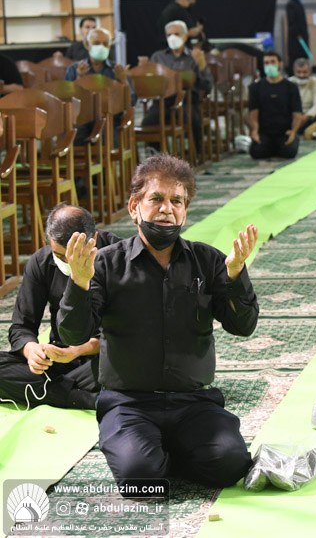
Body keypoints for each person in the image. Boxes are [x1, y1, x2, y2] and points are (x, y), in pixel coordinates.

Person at [57, 155, 260, 497]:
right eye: (156, 199)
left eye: (177, 201)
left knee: (231, 465)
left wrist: (236, 275)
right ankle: (150, 453)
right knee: (142, 481)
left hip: (194, 403)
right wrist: (79, 282)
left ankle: (166, 450)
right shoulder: (104, 265)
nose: (167, 209)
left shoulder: (208, 261)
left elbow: (244, 326)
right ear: (134, 207)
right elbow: (73, 334)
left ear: (185, 211)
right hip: (128, 404)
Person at [0, 206, 118, 411]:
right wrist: (31, 350)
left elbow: (130, 332)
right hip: (59, 358)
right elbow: (21, 326)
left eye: (74, 254)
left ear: (94, 239)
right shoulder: (41, 261)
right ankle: (83, 398)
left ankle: (57, 392)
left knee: (140, 361)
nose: (68, 261)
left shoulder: (118, 256)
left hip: (103, 357)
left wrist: (79, 349)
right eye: (59, 255)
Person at [144, 20, 213, 155]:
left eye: (176, 34)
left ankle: (196, 153)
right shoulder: (158, 57)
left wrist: (202, 65)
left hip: (187, 99)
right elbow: (151, 82)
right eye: (169, 35)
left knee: (192, 119)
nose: (172, 38)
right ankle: (156, 155)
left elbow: (207, 86)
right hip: (163, 99)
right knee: (149, 121)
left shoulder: (194, 57)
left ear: (185, 36)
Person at [247, 51, 304, 159]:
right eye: (266, 63)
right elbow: (253, 113)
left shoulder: (291, 87)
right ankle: (271, 148)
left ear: (280, 64)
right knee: (256, 152)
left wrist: (293, 132)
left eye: (272, 62)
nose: (269, 65)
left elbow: (297, 113)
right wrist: (255, 131)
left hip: (284, 132)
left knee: (289, 152)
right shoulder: (256, 87)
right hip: (265, 132)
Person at [65, 27, 134, 100]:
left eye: (105, 44)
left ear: (109, 46)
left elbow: (132, 100)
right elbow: (68, 100)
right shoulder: (74, 69)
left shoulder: (118, 70)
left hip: (112, 107)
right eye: (96, 43)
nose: (101, 47)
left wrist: (123, 81)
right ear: (87, 45)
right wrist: (80, 78)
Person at [288, 58, 316, 138]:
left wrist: (306, 117)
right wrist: (297, 118)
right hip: (293, 118)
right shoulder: (289, 83)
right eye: (298, 72)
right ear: (294, 71)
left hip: (309, 118)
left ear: (310, 71)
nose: (301, 75)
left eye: (304, 72)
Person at [285, 0, 309, 74]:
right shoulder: (291, 5)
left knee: (303, 56)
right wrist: (297, 34)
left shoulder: (299, 4)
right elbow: (292, 21)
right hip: (295, 37)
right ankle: (293, 74)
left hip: (303, 36)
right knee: (294, 57)